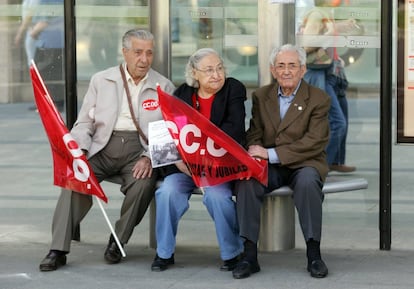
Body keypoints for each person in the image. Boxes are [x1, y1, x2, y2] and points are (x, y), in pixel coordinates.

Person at [38, 29, 176, 272]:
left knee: (143, 184)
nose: (144, 59)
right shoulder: (102, 80)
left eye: (149, 53)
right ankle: (57, 249)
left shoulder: (163, 86)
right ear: (124, 52)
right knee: (75, 181)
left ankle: (118, 240)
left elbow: (168, 132)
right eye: (137, 52)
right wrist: (79, 150)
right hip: (101, 146)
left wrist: (148, 157)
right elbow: (84, 123)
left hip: (138, 151)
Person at [232, 44, 331, 279]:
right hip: (269, 166)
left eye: (292, 65)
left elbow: (315, 141)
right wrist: (254, 152)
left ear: (303, 69)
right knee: (246, 182)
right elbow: (254, 131)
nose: (286, 71)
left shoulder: (318, 98)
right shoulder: (261, 95)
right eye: (281, 66)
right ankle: (249, 255)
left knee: (307, 182)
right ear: (273, 70)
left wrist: (271, 153)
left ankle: (314, 254)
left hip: (304, 162)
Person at [151, 48, 245, 272]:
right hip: (185, 168)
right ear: (194, 73)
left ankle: (232, 253)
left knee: (218, 197)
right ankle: (164, 253)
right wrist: (176, 162)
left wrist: (205, 159)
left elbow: (234, 130)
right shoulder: (182, 94)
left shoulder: (234, 89)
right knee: (167, 192)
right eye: (209, 70)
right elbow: (167, 130)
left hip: (218, 167)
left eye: (220, 68)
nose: (217, 75)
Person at [301, 1, 359, 173]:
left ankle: (335, 161)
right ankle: (321, 166)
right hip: (321, 74)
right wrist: (332, 32)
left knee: (342, 119)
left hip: (332, 73)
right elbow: (308, 43)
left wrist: (339, 27)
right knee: (338, 122)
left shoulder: (325, 14)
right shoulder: (316, 15)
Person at [30, 0, 65, 112]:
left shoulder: (45, 1)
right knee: (56, 73)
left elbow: (44, 22)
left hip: (48, 43)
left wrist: (33, 33)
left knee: (43, 74)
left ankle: (49, 105)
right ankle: (57, 103)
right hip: (59, 41)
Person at [14, 0, 40, 67]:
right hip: (31, 30)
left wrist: (19, 33)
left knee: (32, 61)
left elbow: (29, 16)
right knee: (31, 61)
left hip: (36, 31)